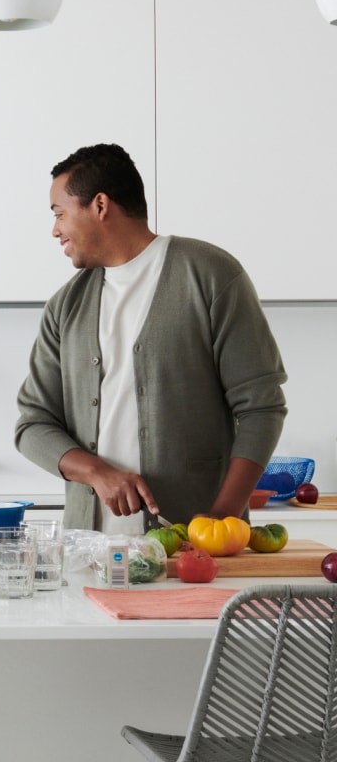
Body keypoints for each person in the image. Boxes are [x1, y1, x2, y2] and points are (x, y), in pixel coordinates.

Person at [15, 143, 287, 534]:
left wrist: (221, 519)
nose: (55, 229)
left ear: (101, 206)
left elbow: (262, 408)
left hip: (196, 555)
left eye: (60, 214)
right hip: (88, 550)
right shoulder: (66, 305)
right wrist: (98, 473)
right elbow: (33, 424)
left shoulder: (210, 275)